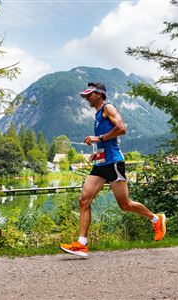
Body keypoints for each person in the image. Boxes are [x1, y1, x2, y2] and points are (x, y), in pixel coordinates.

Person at [59, 82, 166, 257]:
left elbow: (121, 129)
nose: (86, 98)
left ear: (99, 94)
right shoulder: (97, 116)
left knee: (125, 205)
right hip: (101, 164)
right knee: (84, 200)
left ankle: (156, 219)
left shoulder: (108, 108)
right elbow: (106, 140)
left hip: (114, 163)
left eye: (89, 95)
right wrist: (98, 151)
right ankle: (81, 244)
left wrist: (98, 137)